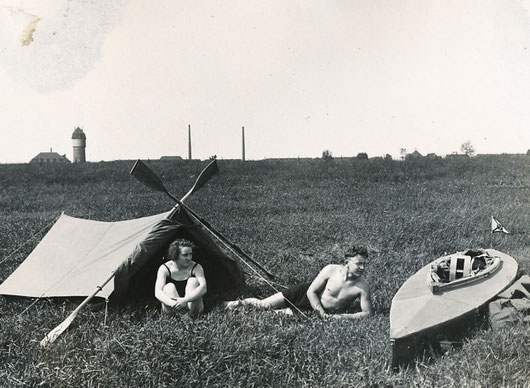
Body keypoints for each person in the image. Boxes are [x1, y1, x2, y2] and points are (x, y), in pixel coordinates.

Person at [224, 246, 373, 320]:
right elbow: (311, 292)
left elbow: (367, 313)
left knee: (273, 315)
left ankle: (237, 312)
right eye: (359, 264)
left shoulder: (362, 286)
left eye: (365, 264)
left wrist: (342, 317)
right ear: (347, 262)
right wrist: (321, 314)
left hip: (311, 310)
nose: (362, 268)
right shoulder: (330, 270)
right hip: (303, 293)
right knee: (263, 305)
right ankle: (226, 305)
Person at [154, 239, 207, 319]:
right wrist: (172, 303)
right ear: (175, 255)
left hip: (193, 307)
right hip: (172, 309)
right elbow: (158, 292)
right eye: (185, 255)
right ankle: (185, 318)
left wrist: (185, 300)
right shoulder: (165, 268)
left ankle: (189, 317)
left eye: (190, 254)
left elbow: (203, 288)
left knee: (193, 281)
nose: (189, 258)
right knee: (169, 287)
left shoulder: (196, 267)